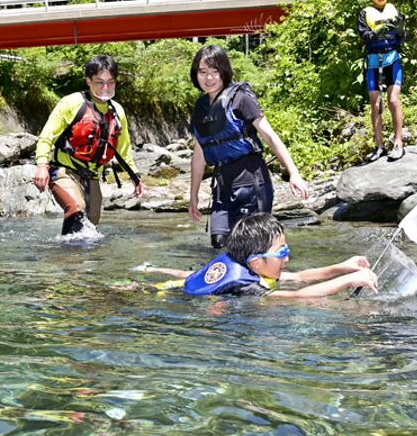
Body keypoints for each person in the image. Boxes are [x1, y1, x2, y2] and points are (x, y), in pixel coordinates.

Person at [188, 44, 309, 249]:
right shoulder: (200, 109)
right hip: (222, 187)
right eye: (203, 72)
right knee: (219, 246)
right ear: (196, 74)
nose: (208, 78)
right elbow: (199, 155)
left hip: (252, 183)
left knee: (252, 249)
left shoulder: (240, 98)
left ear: (224, 72)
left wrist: (294, 173)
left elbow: (270, 137)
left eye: (214, 71)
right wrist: (193, 196)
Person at [143, 213, 378, 298]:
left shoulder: (245, 263)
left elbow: (300, 277)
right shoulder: (247, 287)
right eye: (282, 252)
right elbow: (299, 297)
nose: (287, 258)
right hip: (176, 297)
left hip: (179, 284)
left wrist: (344, 266)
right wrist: (348, 281)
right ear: (256, 262)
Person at [33, 55, 144, 235]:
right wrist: (41, 166)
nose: (106, 88)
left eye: (110, 82)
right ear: (88, 81)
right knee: (76, 209)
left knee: (90, 229)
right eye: (100, 82)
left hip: (92, 176)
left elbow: (123, 150)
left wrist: (135, 176)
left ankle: (82, 260)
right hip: (64, 170)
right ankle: (68, 260)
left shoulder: (117, 111)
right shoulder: (71, 103)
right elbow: (46, 137)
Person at [358, 0, 407, 162]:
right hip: (373, 62)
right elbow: (363, 34)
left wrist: (401, 31)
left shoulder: (395, 11)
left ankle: (398, 142)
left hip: (392, 59)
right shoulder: (364, 13)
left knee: (394, 100)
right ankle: (379, 146)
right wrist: (376, 32)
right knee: (376, 104)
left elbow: (403, 36)